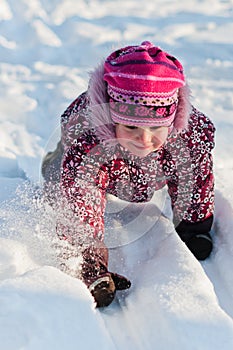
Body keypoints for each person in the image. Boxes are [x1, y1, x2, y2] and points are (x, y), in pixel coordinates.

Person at [42, 41, 215, 307]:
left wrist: (195, 226)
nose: (144, 139)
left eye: (156, 128)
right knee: (60, 181)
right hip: (98, 164)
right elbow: (81, 205)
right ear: (113, 119)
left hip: (149, 171)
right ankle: (55, 159)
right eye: (131, 126)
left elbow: (196, 181)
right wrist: (91, 265)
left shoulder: (189, 138)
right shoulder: (86, 140)